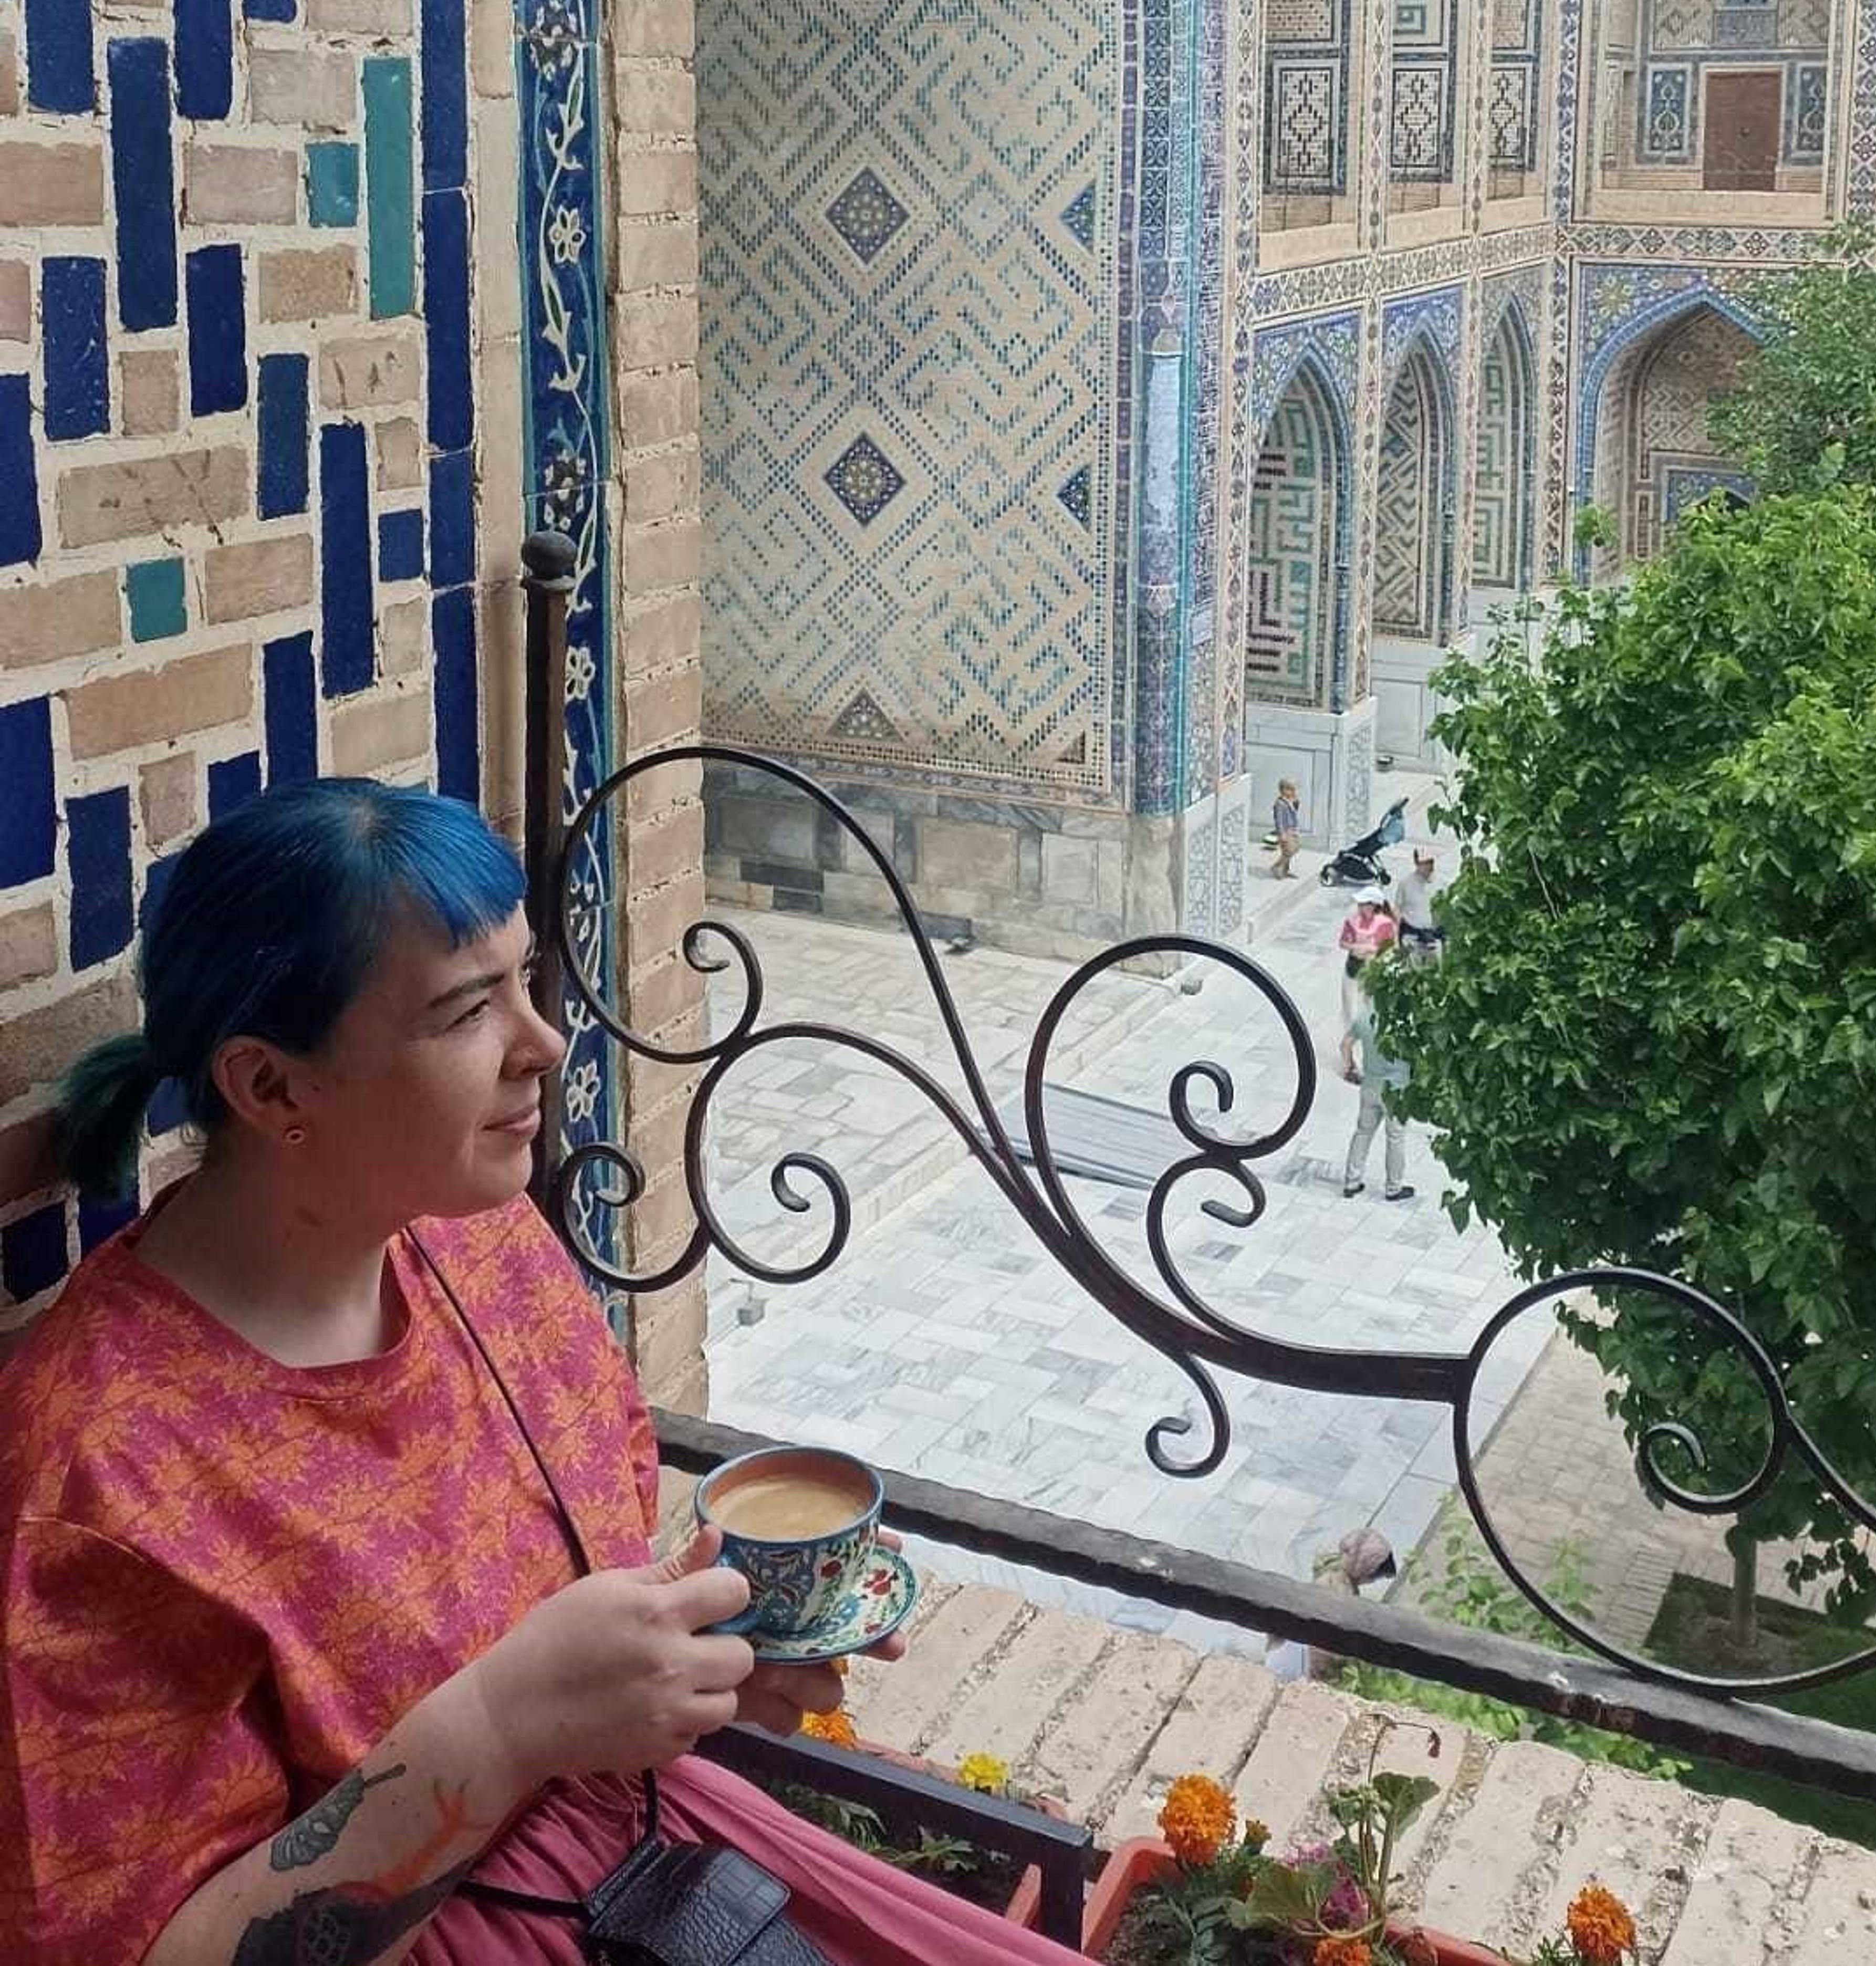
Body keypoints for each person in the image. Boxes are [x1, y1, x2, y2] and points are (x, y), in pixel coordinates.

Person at [0, 778, 1085, 1966]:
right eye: (468, 1009)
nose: (545, 1041)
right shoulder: (98, 1474)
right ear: (271, 1086)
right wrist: (501, 1726)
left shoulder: (477, 1240)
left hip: (659, 1865)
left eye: (526, 977)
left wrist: (695, 1662)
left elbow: (563, 1591)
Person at [1342, 938, 1416, 1205]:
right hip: (1396, 1090)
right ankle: (1393, 1187)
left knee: (1363, 1132)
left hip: (1370, 1086)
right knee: (1395, 1138)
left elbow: (1346, 1044)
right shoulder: (1403, 1020)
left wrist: (1351, 1067)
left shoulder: (1364, 1018)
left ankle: (1352, 1181)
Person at [1335, 887, 1397, 1084]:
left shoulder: (1385, 924)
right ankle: (1349, 1059)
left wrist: (1373, 951)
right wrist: (1355, 948)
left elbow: (1391, 947)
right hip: (1354, 973)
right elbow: (1343, 943)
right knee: (1352, 1015)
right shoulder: (1353, 922)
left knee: (1369, 1018)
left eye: (1365, 904)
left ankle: (1357, 1056)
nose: (1361, 908)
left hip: (1373, 976)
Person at [1389, 845, 1443, 951]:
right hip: (1412, 932)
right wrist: (1396, 941)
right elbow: (1397, 910)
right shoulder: (1406, 883)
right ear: (1417, 863)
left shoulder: (1440, 884)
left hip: (1434, 932)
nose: (1429, 866)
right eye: (1425, 863)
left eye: (1431, 862)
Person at [1268, 778, 1301, 880]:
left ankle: (1285, 869)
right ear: (1283, 790)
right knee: (1289, 850)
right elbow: (1279, 820)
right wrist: (1282, 833)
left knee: (1295, 848)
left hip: (1293, 829)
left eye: (1293, 789)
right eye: (1290, 789)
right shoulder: (1280, 804)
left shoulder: (1290, 801)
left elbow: (1294, 812)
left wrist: (1296, 803)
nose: (1293, 792)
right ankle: (1277, 867)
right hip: (1286, 831)